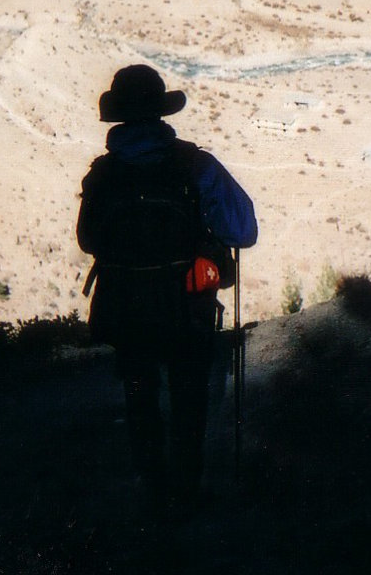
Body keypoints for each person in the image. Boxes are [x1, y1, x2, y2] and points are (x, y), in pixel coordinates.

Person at [77, 64, 257, 514]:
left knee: (140, 396)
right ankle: (186, 495)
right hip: (186, 309)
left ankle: (153, 492)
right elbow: (243, 230)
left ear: (117, 116)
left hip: (125, 309)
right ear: (161, 113)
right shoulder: (195, 165)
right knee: (190, 398)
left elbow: (88, 240)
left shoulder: (101, 175)